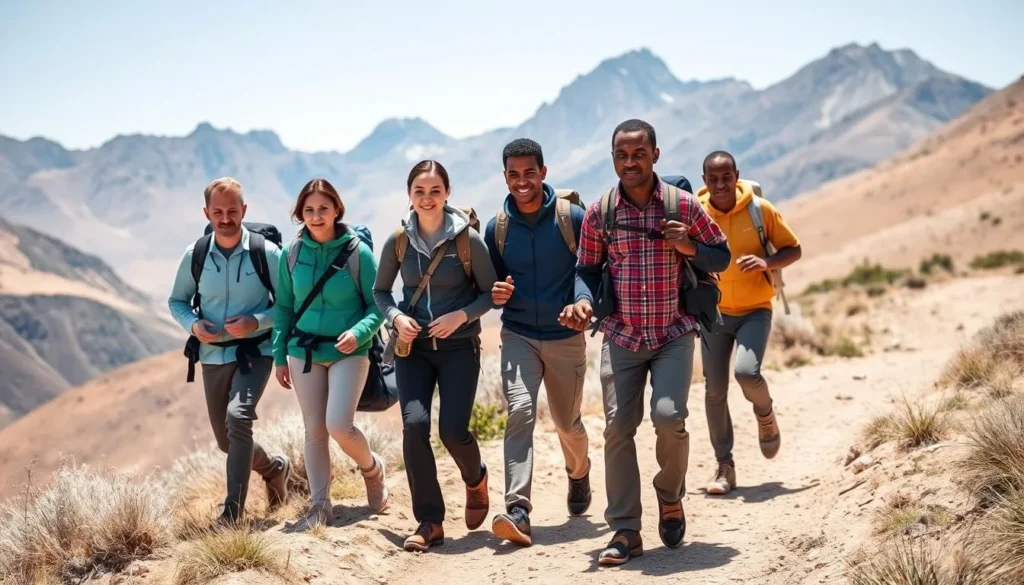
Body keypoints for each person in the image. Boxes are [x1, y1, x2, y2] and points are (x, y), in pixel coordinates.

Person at [568, 120, 730, 565]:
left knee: (668, 416)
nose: (630, 162)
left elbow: (722, 254)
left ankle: (670, 494)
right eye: (622, 155)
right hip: (621, 334)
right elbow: (585, 270)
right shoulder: (602, 212)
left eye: (639, 153)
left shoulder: (682, 206)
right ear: (613, 159)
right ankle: (624, 529)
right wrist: (582, 302)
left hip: (673, 332)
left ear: (655, 155)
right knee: (619, 427)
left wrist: (691, 248)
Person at [373, 160, 499, 552]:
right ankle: (430, 521)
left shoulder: (467, 241)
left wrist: (460, 316)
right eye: (419, 192)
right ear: (409, 195)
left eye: (435, 191)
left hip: (460, 347)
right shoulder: (398, 240)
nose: (427, 199)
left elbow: (490, 293)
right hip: (415, 350)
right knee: (415, 426)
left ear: (447, 193)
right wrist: (396, 318)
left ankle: (475, 477)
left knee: (452, 431)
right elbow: (380, 293)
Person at [484, 138, 592, 547]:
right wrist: (495, 294)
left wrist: (582, 302)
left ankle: (578, 471)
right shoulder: (499, 227)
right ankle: (518, 510)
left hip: (566, 337)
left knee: (567, 423)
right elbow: (490, 282)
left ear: (543, 172)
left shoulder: (573, 218)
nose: (522, 181)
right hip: (519, 335)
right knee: (521, 411)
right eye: (514, 174)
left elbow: (591, 269)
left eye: (530, 172)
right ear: (505, 177)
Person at [168, 177, 292, 525]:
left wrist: (256, 322)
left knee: (239, 419)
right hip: (211, 356)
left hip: (255, 352)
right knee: (227, 442)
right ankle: (274, 468)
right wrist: (193, 325)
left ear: (244, 211)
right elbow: (176, 300)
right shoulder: (195, 255)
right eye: (218, 212)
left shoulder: (266, 253)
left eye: (232, 211)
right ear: (206, 212)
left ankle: (232, 515)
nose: (225, 218)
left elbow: (288, 304)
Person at [272, 178, 389, 530]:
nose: (316, 215)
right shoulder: (290, 254)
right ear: (300, 215)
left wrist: (360, 332)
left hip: (349, 351)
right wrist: (279, 355)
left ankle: (372, 469)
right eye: (308, 210)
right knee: (313, 430)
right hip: (304, 351)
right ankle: (320, 504)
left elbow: (378, 302)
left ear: (337, 209)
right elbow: (283, 307)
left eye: (323, 208)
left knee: (338, 424)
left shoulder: (358, 253)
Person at [696, 151, 802, 496]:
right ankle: (724, 466)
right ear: (705, 180)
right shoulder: (698, 213)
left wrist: (765, 261)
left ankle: (765, 413)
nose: (721, 185)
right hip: (713, 314)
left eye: (726, 177)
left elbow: (793, 249)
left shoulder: (760, 209)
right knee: (714, 390)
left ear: (737, 175)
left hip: (756, 308)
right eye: (713, 179)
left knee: (746, 372)